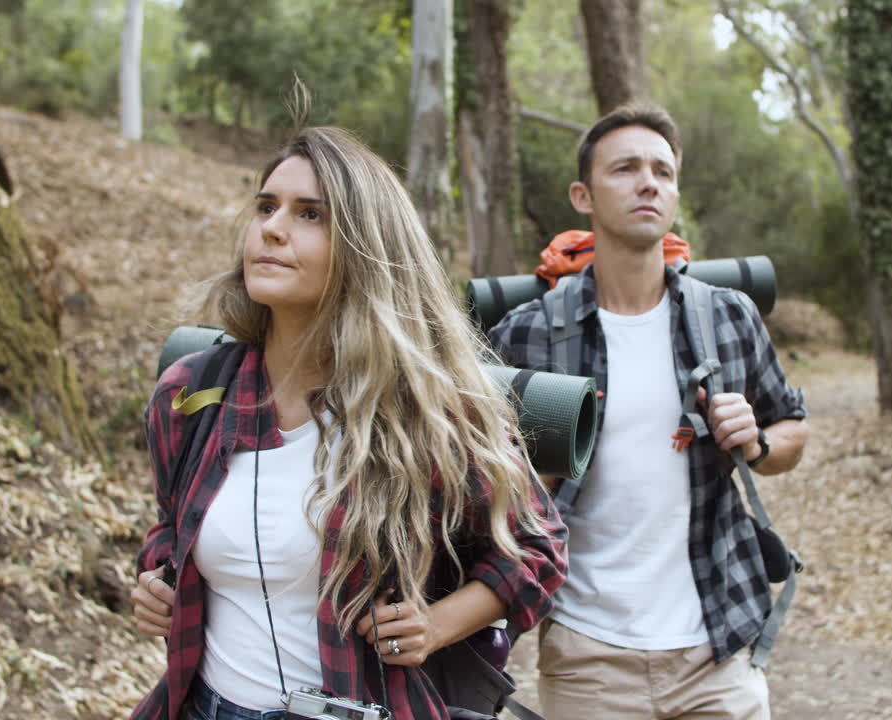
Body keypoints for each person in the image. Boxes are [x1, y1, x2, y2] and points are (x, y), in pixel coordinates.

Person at [129, 125, 567, 720]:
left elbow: (536, 550)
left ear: (364, 246)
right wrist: (158, 583)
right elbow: (171, 530)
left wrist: (434, 626)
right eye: (266, 207)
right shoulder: (192, 393)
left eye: (310, 214)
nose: (272, 228)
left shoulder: (427, 412)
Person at [488, 103, 808, 720]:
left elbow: (791, 427)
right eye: (626, 168)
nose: (648, 183)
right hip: (587, 656)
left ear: (676, 193)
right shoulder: (526, 335)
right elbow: (478, 485)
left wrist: (759, 443)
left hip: (717, 646)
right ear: (582, 195)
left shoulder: (726, 316)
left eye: (663, 171)